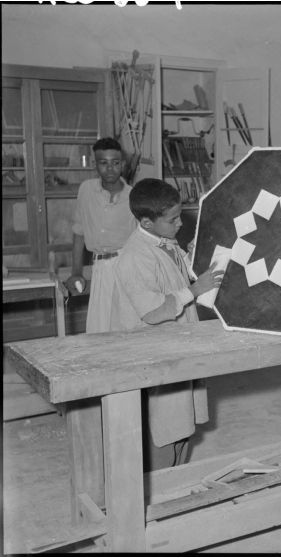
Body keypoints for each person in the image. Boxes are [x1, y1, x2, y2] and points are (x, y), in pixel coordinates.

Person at [111, 178, 223, 471]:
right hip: (155, 354)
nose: (179, 224)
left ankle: (177, 480)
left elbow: (181, 269)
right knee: (164, 428)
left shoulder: (166, 242)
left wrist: (194, 257)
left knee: (183, 426)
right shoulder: (135, 256)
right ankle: (160, 489)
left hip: (178, 346)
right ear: (147, 222)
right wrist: (194, 291)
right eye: (173, 220)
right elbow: (152, 312)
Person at [67, 137, 137, 333]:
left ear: (122, 164)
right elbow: (79, 232)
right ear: (94, 164)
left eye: (115, 163)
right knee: (100, 327)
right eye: (103, 163)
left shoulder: (133, 196)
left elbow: (142, 241)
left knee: (127, 326)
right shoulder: (86, 190)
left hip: (128, 269)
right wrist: (76, 272)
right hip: (100, 269)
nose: (110, 169)